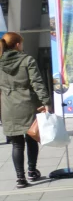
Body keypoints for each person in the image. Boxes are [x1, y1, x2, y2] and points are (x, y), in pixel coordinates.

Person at [0, 32, 51, 188]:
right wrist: (46, 101)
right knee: (31, 139)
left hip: (8, 106)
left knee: (16, 144)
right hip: (28, 104)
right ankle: (31, 171)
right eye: (21, 43)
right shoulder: (27, 60)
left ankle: (20, 179)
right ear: (17, 45)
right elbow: (37, 83)